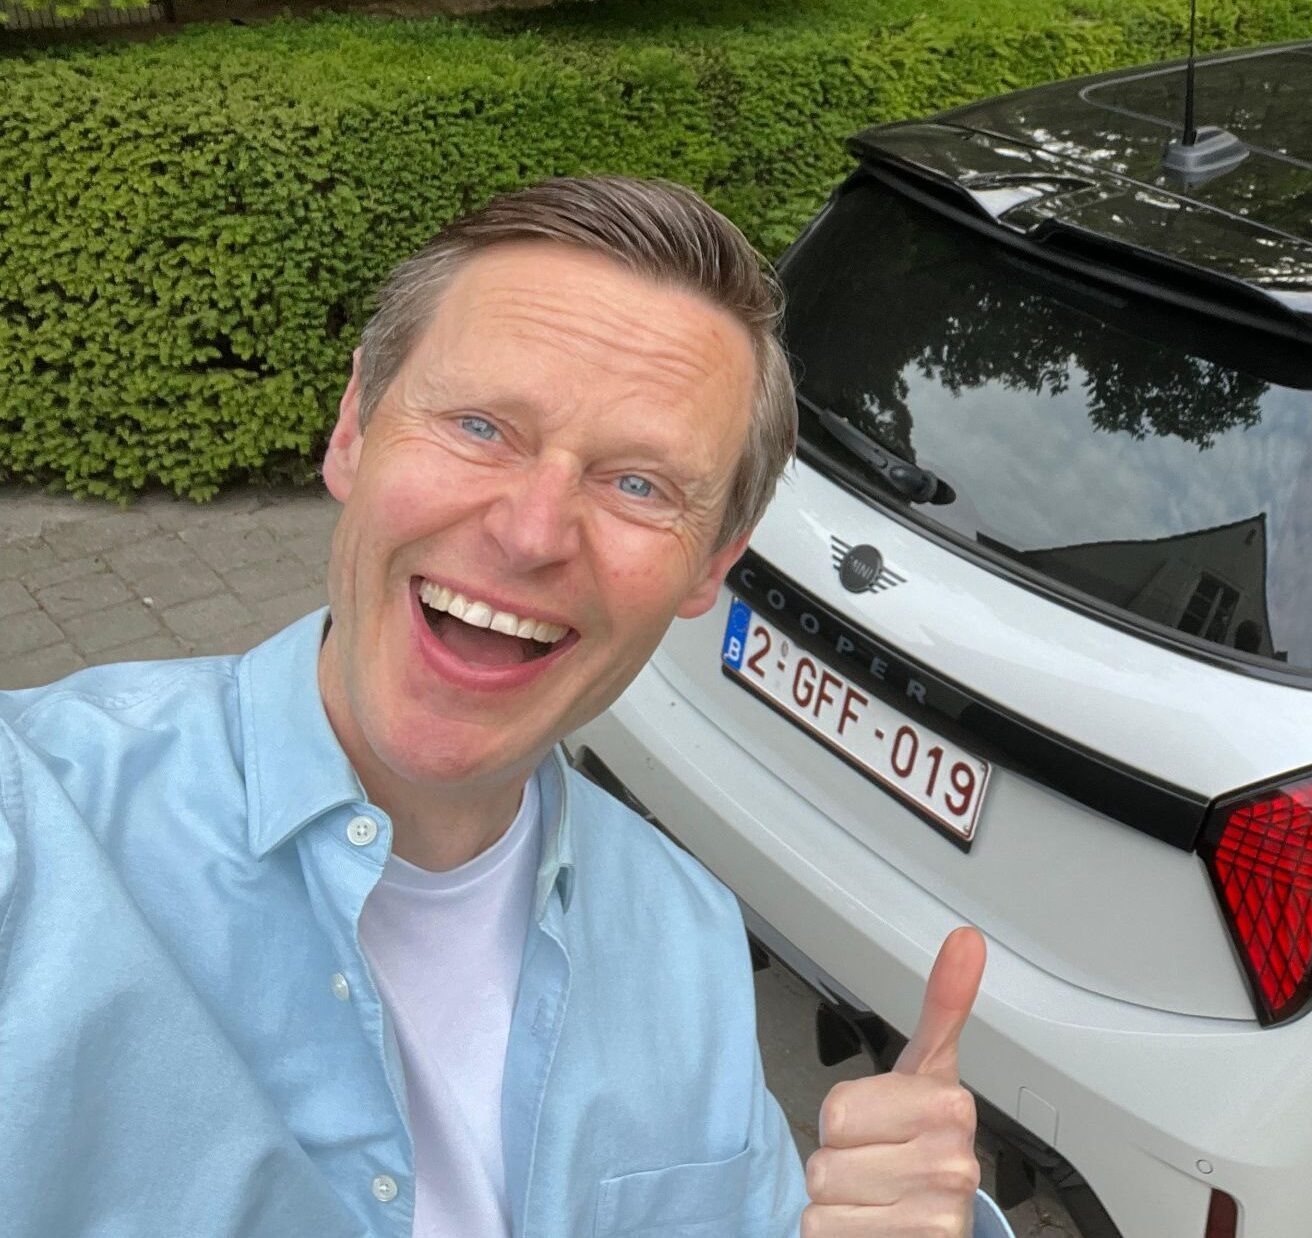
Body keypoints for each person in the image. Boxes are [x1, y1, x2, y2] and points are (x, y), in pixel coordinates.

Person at [0, 176, 1010, 1238]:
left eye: (638, 485)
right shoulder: (37, 827)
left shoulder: (687, 933)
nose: (531, 533)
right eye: (480, 426)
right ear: (353, 431)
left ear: (712, 565)